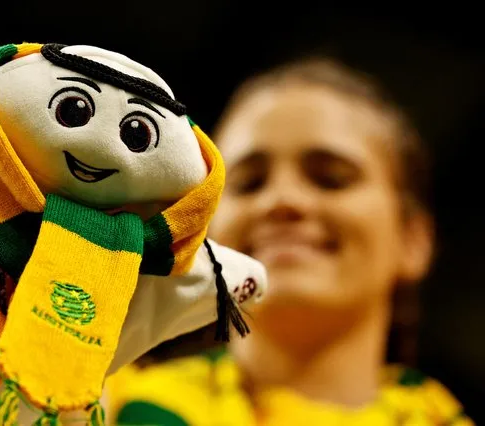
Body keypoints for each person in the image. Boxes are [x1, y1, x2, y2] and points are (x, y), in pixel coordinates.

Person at [103, 57, 474, 425]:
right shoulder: (98, 406)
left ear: (412, 240)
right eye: (249, 183)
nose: (281, 200)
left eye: (330, 178)